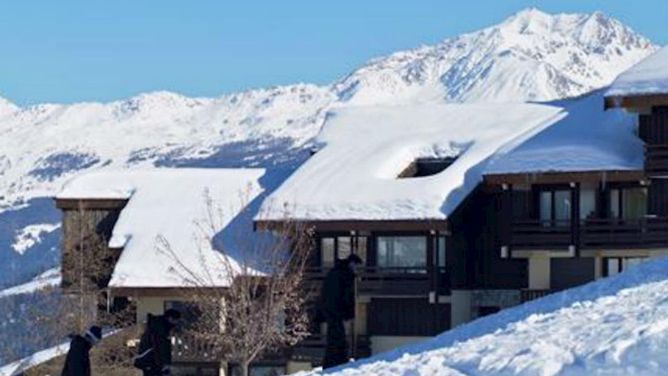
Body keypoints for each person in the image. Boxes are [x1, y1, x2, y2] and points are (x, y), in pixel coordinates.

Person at [321, 254, 363, 369]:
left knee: (334, 337)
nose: (356, 269)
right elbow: (346, 296)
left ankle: (333, 362)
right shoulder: (345, 275)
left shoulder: (334, 272)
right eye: (356, 266)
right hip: (336, 312)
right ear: (351, 263)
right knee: (337, 338)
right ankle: (337, 363)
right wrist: (348, 312)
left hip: (330, 311)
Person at [134, 308, 182, 376]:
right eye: (176, 320)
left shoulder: (159, 326)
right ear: (170, 318)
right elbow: (160, 347)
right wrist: (164, 364)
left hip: (151, 361)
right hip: (152, 361)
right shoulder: (159, 329)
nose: (177, 323)